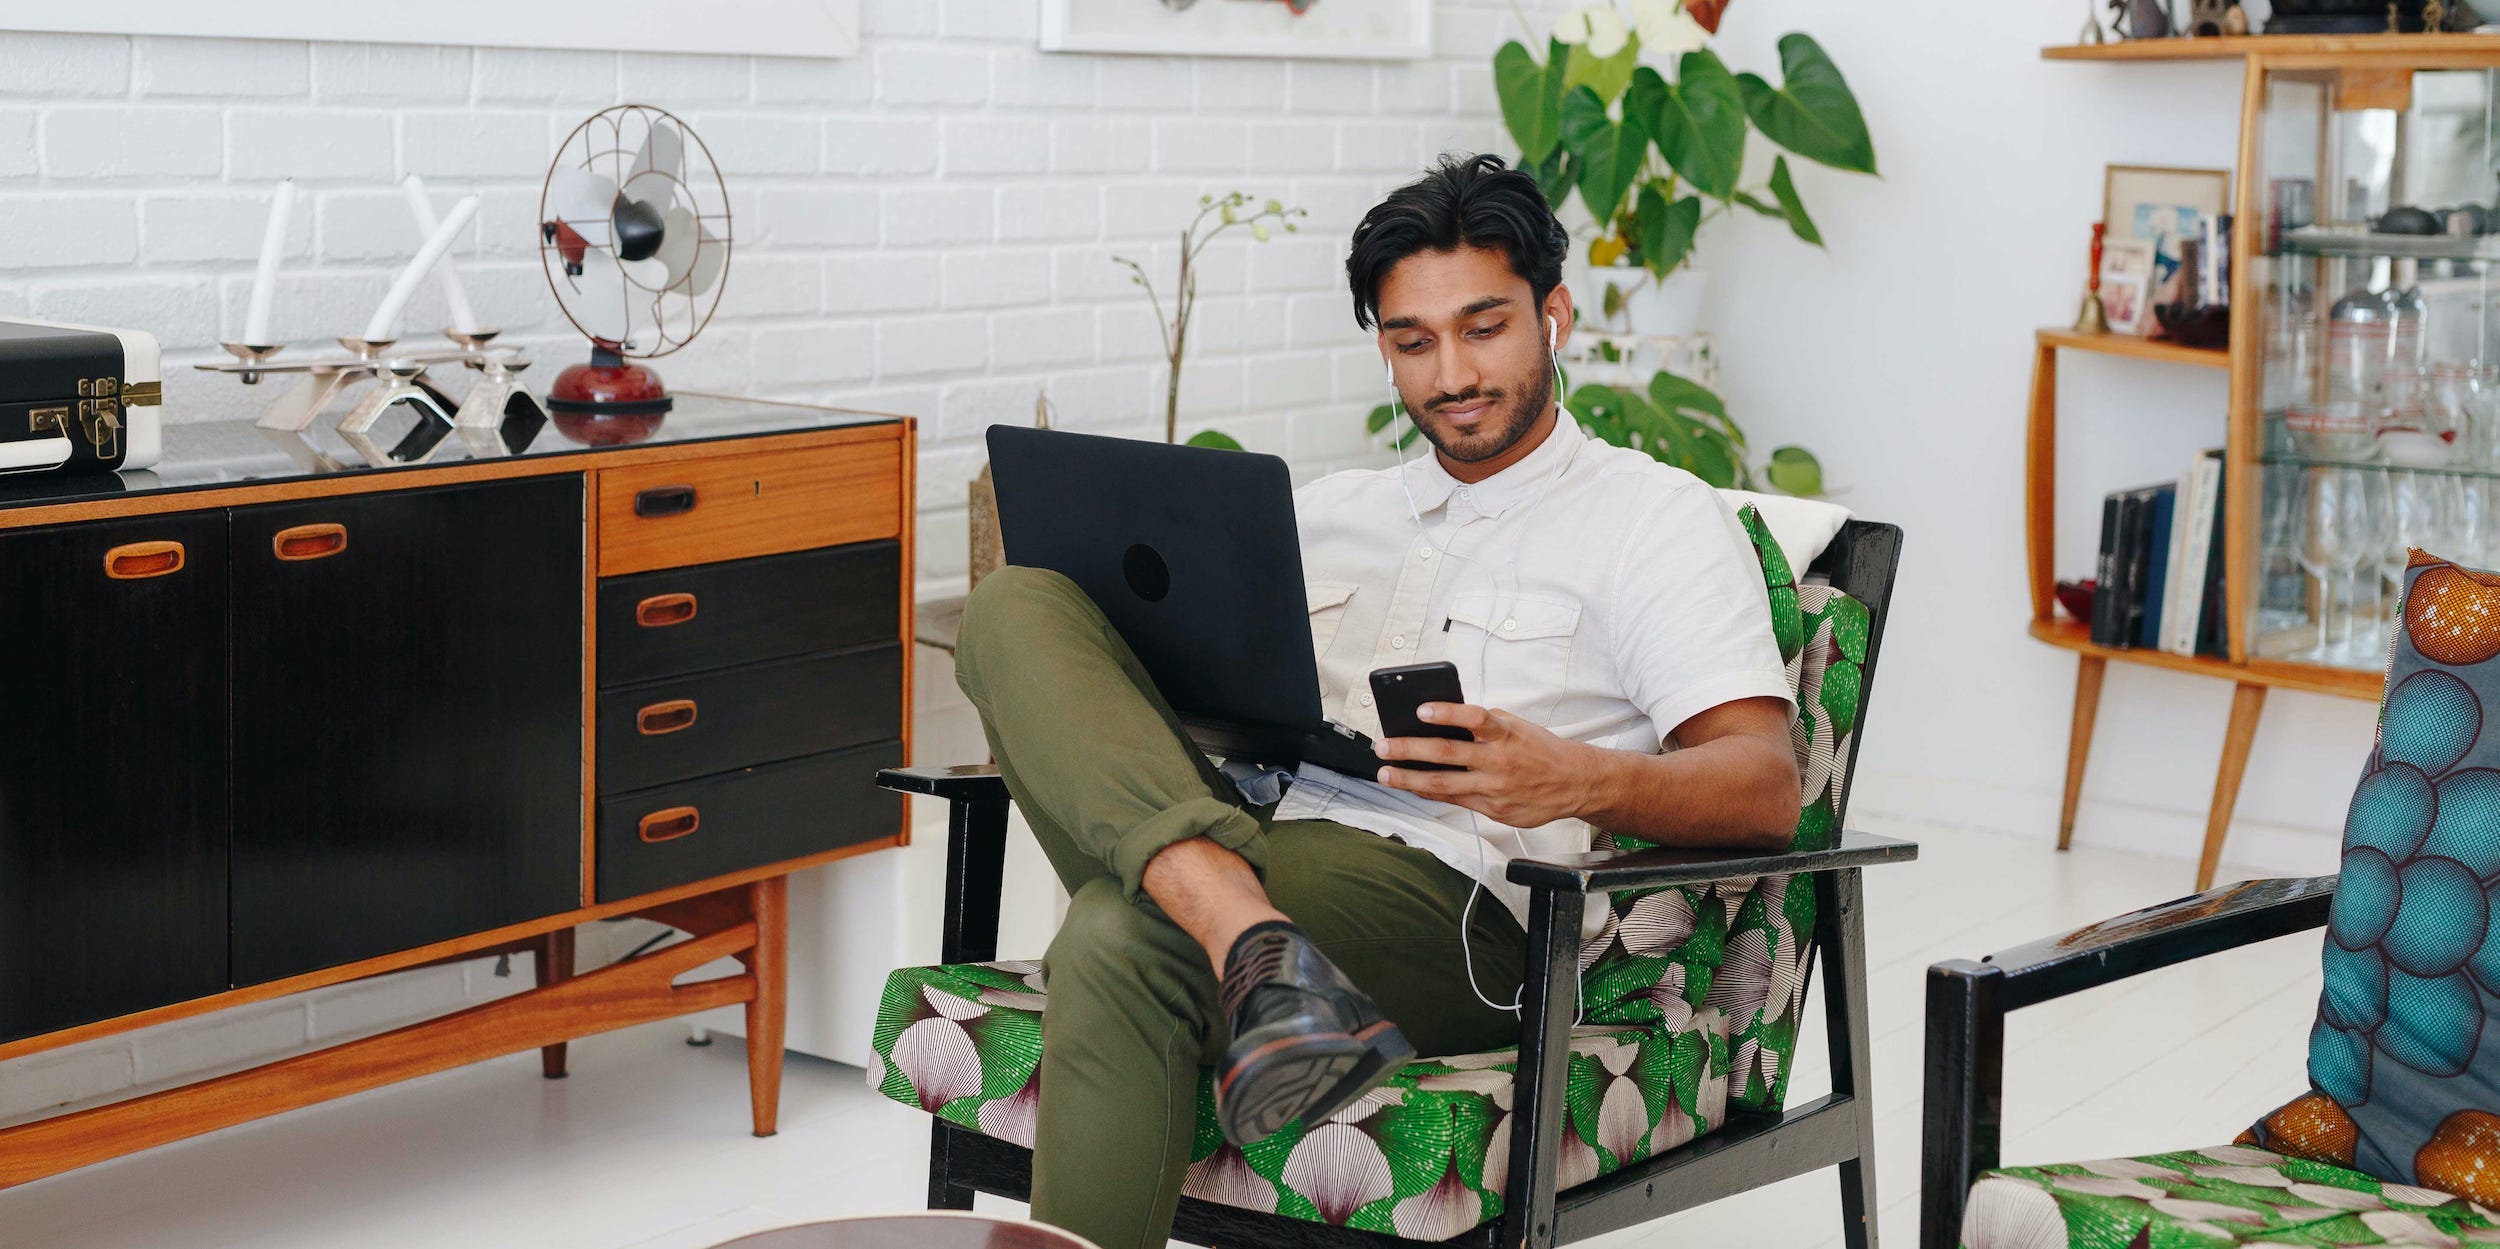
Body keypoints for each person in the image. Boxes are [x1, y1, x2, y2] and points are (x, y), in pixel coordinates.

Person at [951, 152, 1802, 1249]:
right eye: (1412, 342)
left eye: (1483, 327)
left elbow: (1764, 787)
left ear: (1555, 314)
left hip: (1460, 912)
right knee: (1013, 602)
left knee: (1120, 931)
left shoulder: (1656, 522)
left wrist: (1579, 776)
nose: (1450, 371)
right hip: (1248, 835)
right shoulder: (1323, 511)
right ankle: (1251, 937)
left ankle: (1233, 931)